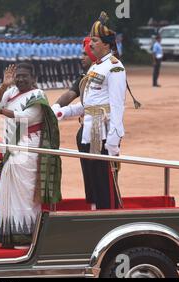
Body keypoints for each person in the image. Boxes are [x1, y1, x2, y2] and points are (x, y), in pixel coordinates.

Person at [56, 11, 126, 210]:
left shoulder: (114, 67)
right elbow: (89, 104)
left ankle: (109, 215)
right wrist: (63, 112)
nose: (91, 44)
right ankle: (96, 211)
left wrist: (114, 137)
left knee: (104, 181)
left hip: (101, 131)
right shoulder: (97, 67)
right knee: (92, 178)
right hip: (90, 128)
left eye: (95, 40)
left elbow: (117, 105)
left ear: (106, 44)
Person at [0, 63, 62, 248]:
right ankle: (10, 236)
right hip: (12, 148)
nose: (20, 79)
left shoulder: (38, 95)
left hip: (29, 146)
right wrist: (4, 85)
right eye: (18, 76)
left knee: (26, 193)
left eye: (25, 76)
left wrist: (0, 111)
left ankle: (28, 236)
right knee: (10, 191)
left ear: (33, 78)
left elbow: (25, 117)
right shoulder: (11, 91)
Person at [51, 37, 97, 111]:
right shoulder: (86, 75)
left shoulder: (104, 71)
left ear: (95, 55)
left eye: (85, 54)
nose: (82, 58)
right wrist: (55, 107)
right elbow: (71, 93)